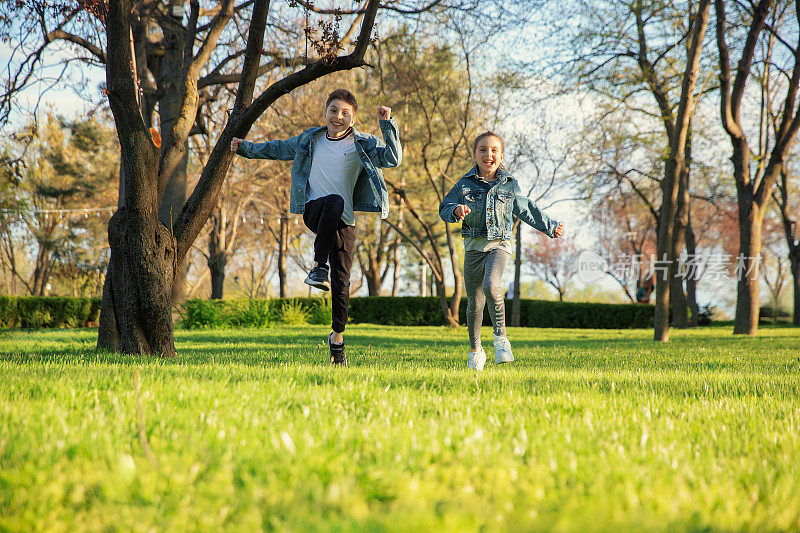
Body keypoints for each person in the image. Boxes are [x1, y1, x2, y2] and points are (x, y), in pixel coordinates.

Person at [231, 89, 402, 366]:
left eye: (345, 113)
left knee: (342, 283)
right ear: (325, 113)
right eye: (333, 110)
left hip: (344, 222)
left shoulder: (363, 144)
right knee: (333, 201)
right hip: (314, 210)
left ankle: (337, 340)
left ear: (354, 118)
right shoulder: (311, 139)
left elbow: (393, 159)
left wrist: (386, 124)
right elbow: (278, 149)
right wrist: (246, 148)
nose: (338, 116)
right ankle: (318, 266)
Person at [439, 131, 564, 371]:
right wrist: (455, 211)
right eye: (483, 150)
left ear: (501, 155)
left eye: (494, 150)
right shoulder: (464, 184)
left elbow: (527, 208)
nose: (489, 154)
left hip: (499, 245)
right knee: (474, 303)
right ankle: (476, 351)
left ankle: (500, 338)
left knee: (491, 285)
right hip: (474, 249)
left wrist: (550, 226)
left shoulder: (509, 184)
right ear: (475, 155)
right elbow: (445, 206)